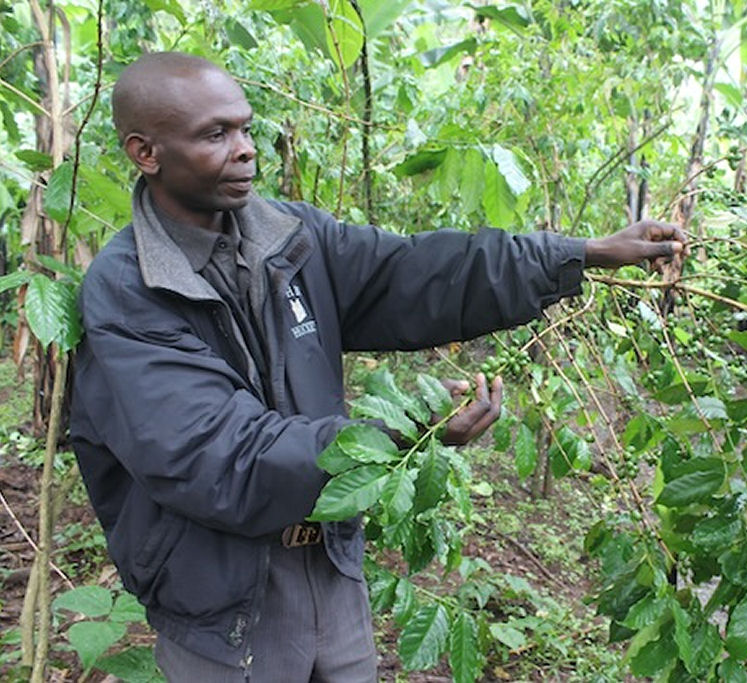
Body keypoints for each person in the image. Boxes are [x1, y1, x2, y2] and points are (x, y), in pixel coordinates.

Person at [69, 51, 686, 682]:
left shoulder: (291, 237)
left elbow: (419, 272)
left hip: (332, 570)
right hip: (221, 605)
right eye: (216, 135)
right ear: (146, 152)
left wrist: (580, 254)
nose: (247, 149)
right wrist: (399, 433)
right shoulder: (128, 291)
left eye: (246, 128)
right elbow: (218, 455)